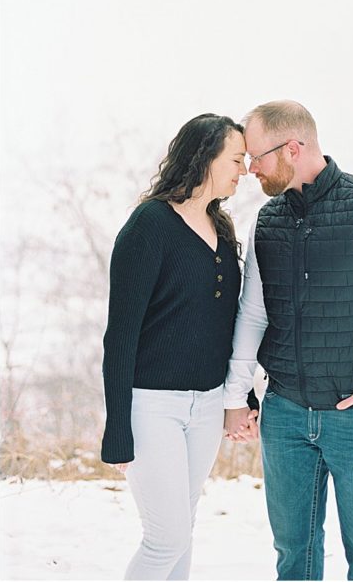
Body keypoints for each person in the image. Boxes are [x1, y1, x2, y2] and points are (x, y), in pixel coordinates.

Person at [221, 100, 353, 581]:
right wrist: (236, 396)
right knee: (294, 558)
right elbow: (253, 313)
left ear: (293, 148)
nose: (250, 170)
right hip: (286, 415)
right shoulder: (266, 222)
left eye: (258, 158)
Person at [100, 114, 249, 579]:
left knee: (183, 532)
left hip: (204, 408)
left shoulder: (220, 229)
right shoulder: (150, 225)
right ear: (205, 158)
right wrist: (117, 428)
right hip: (152, 408)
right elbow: (120, 334)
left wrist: (238, 398)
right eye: (236, 159)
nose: (243, 170)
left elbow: (227, 324)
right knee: (164, 539)